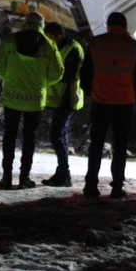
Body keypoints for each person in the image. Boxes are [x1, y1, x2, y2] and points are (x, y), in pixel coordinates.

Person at [0, 12, 63, 189]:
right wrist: (42, 82)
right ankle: (24, 179)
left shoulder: (11, 40)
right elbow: (58, 72)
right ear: (42, 25)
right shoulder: (49, 46)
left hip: (12, 96)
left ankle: (6, 178)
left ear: (26, 23)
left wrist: (8, 77)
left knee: (9, 136)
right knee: (29, 139)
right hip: (34, 99)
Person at [80, 12, 136, 199]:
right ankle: (117, 186)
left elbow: (85, 74)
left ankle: (90, 185)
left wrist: (91, 92)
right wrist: (132, 95)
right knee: (119, 145)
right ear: (125, 27)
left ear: (108, 25)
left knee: (96, 144)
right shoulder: (135, 46)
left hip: (100, 100)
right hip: (124, 102)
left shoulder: (96, 43)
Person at [41, 22, 84, 187]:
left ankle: (64, 174)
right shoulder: (60, 46)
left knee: (56, 135)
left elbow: (66, 75)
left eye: (48, 36)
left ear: (55, 34)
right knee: (61, 135)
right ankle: (62, 174)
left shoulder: (73, 48)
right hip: (60, 98)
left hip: (67, 98)